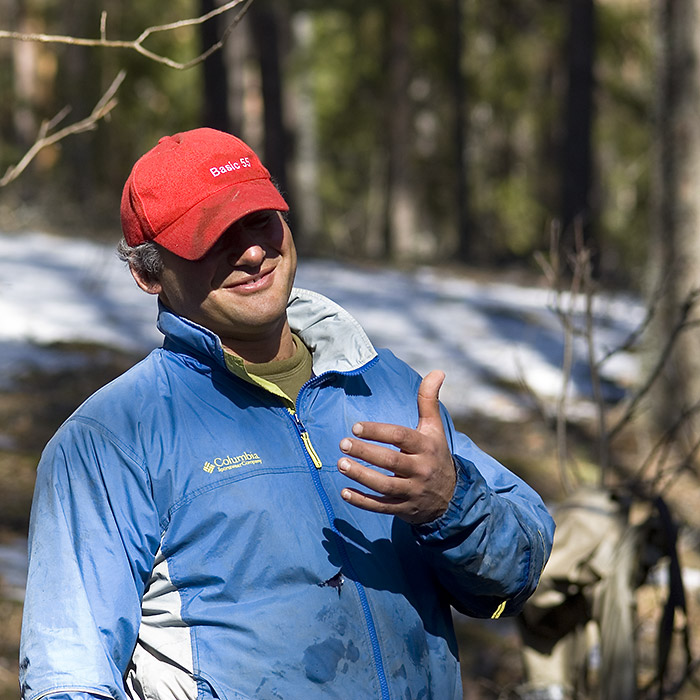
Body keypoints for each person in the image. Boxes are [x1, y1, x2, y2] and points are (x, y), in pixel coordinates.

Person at [19, 127, 554, 700]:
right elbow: (67, 677)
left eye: (259, 220)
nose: (252, 252)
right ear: (149, 273)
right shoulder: (110, 440)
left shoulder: (387, 385)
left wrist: (451, 505)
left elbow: (512, 581)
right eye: (212, 236)